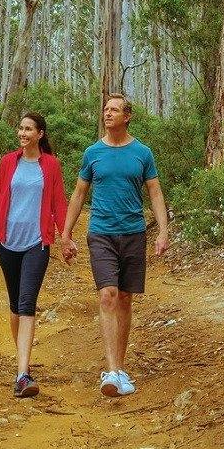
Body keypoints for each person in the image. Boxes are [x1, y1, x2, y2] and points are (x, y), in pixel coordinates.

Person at [61, 93, 170, 397]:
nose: (107, 114)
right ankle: (110, 372)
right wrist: (66, 234)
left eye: (114, 110)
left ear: (127, 116)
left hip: (134, 233)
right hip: (101, 233)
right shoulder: (92, 153)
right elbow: (79, 194)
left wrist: (162, 231)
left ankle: (120, 369)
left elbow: (156, 193)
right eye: (105, 110)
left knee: (124, 298)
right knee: (108, 295)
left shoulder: (142, 153)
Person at [0, 111, 67, 398]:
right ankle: (22, 360)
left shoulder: (51, 165)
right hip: (7, 242)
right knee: (15, 307)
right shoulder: (8, 162)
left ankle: (22, 374)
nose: (22, 133)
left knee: (27, 303)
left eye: (28, 129)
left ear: (40, 134)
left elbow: (59, 203)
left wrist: (65, 238)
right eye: (20, 129)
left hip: (37, 244)